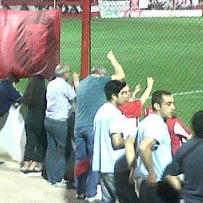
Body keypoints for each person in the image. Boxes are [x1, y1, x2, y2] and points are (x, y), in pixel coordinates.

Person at [74, 50, 125, 201]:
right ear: (102, 75)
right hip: (91, 126)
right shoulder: (101, 82)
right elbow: (120, 75)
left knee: (80, 160)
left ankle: (80, 191)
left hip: (78, 126)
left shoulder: (82, 83)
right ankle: (91, 193)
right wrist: (112, 58)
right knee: (94, 159)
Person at [93, 79, 138, 203]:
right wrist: (131, 141)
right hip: (115, 167)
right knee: (129, 199)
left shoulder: (101, 111)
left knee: (107, 199)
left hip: (103, 164)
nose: (127, 96)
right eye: (123, 93)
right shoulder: (114, 114)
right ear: (114, 95)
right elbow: (117, 141)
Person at [133, 90, 175, 203]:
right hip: (157, 185)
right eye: (168, 104)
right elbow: (144, 147)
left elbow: (131, 144)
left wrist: (133, 168)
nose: (173, 107)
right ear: (157, 106)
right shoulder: (158, 125)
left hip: (145, 184)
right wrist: (152, 172)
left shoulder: (144, 123)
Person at [44, 63, 79, 187]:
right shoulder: (64, 86)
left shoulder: (51, 84)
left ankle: (51, 177)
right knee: (65, 150)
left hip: (48, 119)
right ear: (65, 74)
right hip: (60, 122)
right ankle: (57, 178)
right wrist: (76, 83)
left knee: (51, 148)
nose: (69, 73)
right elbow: (76, 97)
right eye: (68, 71)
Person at [21, 75, 47, 176]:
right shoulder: (43, 93)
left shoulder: (29, 92)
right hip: (40, 121)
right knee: (41, 144)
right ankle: (33, 166)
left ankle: (26, 165)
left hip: (29, 120)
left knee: (29, 144)